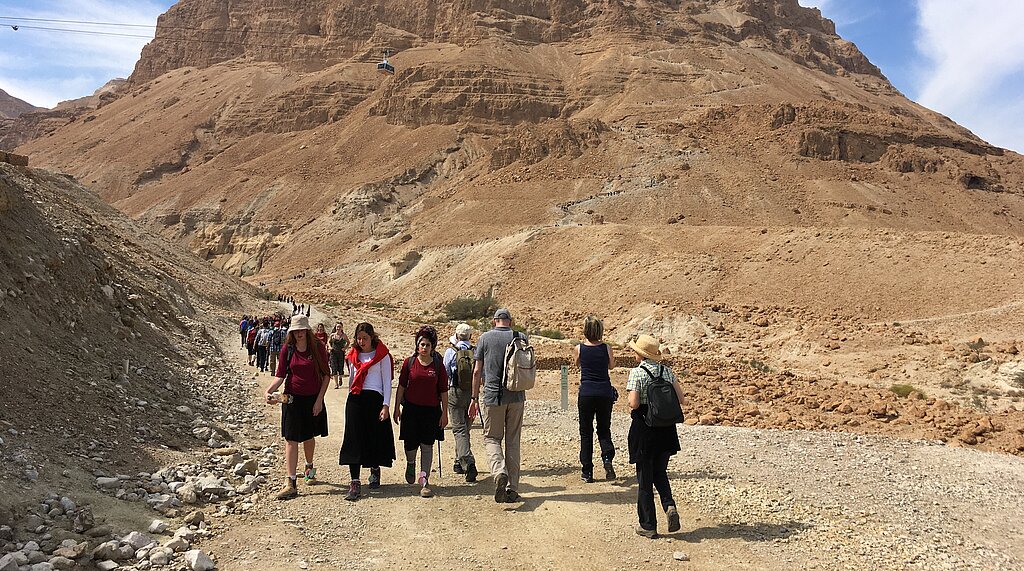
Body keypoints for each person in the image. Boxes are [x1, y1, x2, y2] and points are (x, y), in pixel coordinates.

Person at [264, 315, 330, 500]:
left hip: (312, 399)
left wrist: (319, 401)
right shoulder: (288, 349)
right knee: (291, 439)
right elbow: (281, 375)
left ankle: (309, 467)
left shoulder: (317, 348)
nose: (299, 333)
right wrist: (268, 391)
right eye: (296, 330)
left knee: (308, 437)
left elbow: (326, 375)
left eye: (302, 330)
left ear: (307, 330)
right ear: (291, 332)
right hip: (291, 398)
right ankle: (290, 482)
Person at [625, 334, 684, 538]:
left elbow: (633, 403)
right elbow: (681, 399)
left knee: (645, 478)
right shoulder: (667, 372)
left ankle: (648, 525)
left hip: (645, 430)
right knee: (660, 471)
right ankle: (669, 505)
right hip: (666, 430)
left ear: (640, 354)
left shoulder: (637, 373)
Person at [472, 308, 526, 503]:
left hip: (493, 396)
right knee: (513, 441)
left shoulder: (485, 338)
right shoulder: (521, 337)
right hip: (517, 396)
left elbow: (477, 371)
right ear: (510, 322)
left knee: (492, 439)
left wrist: (473, 398)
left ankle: (499, 472)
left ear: (495, 321)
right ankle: (513, 488)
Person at [338, 322, 396, 501]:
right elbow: (352, 379)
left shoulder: (382, 355)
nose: (362, 341)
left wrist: (386, 405)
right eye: (359, 338)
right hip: (356, 398)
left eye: (365, 338)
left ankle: (375, 469)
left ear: (372, 337)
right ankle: (355, 481)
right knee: (353, 437)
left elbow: (387, 381)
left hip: (375, 399)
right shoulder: (353, 355)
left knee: (373, 437)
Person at [395, 326, 449, 498]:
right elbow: (402, 386)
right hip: (411, 410)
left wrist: (445, 413)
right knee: (410, 445)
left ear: (432, 347)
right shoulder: (409, 363)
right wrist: (396, 407)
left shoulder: (438, 366)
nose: (424, 347)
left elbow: (443, 391)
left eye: (427, 345)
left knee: (427, 445)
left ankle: (424, 480)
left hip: (431, 412)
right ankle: (410, 463)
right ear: (417, 345)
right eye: (422, 344)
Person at [574, 316, 617, 483]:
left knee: (586, 432)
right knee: (604, 429)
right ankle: (607, 459)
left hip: (586, 393)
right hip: (604, 392)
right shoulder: (607, 348)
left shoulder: (579, 348)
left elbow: (577, 364)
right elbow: (611, 366)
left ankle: (587, 471)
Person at [443, 322, 478, 481]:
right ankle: (458, 461)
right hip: (472, 393)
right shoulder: (475, 351)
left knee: (459, 430)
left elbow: (445, 375)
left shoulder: (450, 352)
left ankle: (468, 462)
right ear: (470, 336)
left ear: (457, 336)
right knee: (465, 429)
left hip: (455, 392)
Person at [328, 322, 350, 389]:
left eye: (340, 327)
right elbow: (328, 342)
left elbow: (348, 342)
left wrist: (345, 348)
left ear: (342, 327)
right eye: (337, 327)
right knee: (334, 368)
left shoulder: (344, 335)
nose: (338, 328)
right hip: (333, 353)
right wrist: (330, 347)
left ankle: (340, 377)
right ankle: (336, 384)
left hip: (340, 353)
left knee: (340, 367)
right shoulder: (332, 335)